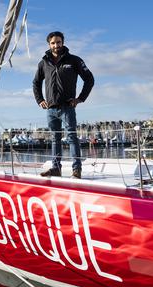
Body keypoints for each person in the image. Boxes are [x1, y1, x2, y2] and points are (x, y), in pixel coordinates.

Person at [33, 31, 94, 178]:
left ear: (63, 42)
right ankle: (56, 168)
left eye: (58, 42)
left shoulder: (74, 60)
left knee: (72, 137)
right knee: (55, 138)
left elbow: (89, 79)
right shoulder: (43, 63)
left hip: (68, 107)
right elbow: (36, 82)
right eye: (53, 43)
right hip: (51, 108)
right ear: (49, 44)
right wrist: (40, 100)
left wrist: (80, 99)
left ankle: (76, 170)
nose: (56, 45)